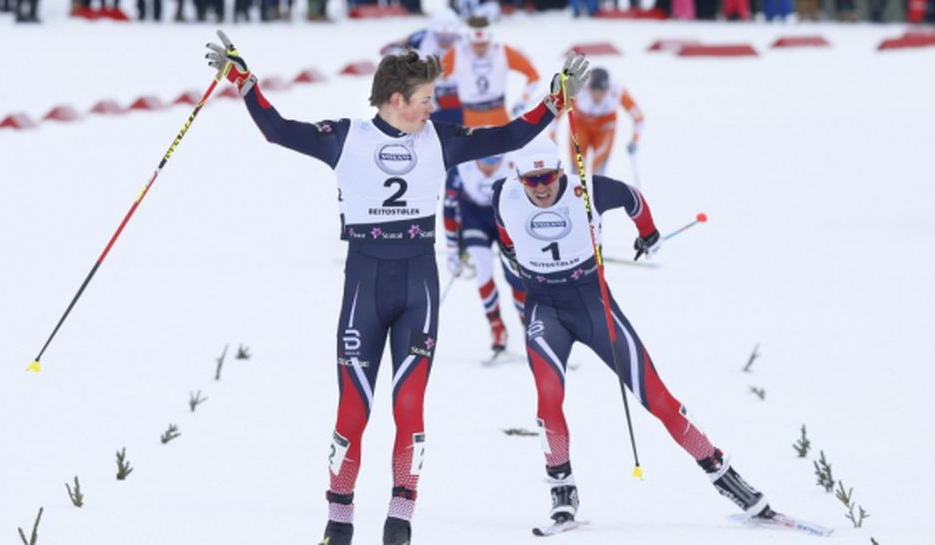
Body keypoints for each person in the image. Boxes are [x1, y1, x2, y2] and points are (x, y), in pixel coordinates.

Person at [204, 31, 589, 545]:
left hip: (417, 288)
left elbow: (508, 136)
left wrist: (554, 101)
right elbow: (277, 131)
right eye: (426, 99)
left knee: (409, 408)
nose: (434, 107)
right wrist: (245, 82)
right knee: (352, 411)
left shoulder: (441, 139)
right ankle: (338, 523)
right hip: (365, 285)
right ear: (396, 101)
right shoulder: (345, 138)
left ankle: (399, 522)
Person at [492, 137, 773, 529]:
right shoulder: (504, 194)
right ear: (519, 178)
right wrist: (510, 251)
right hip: (544, 306)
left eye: (548, 177)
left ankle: (723, 474)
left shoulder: (586, 189)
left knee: (656, 397)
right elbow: (504, 229)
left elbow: (634, 199)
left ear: (560, 172)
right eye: (531, 180)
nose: (540, 187)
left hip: (593, 303)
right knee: (549, 399)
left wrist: (649, 233)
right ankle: (562, 490)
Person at [443, 154, 526, 357]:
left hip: (503, 217)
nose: (490, 168)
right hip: (474, 217)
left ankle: (529, 325)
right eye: (485, 162)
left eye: (495, 163)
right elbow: (448, 208)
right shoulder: (461, 166)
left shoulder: (513, 164)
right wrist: (452, 250)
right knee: (483, 266)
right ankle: (496, 326)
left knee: (515, 273)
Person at [441, 16, 542, 128]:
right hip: (470, 119)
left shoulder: (503, 51)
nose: (480, 48)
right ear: (469, 38)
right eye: (476, 44)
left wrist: (524, 99)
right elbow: (433, 78)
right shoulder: (456, 54)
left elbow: (533, 75)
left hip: (499, 117)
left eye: (483, 44)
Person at [552, 67, 643, 177]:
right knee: (578, 163)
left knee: (599, 166)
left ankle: (598, 189)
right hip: (581, 123)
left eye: (602, 92)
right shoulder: (577, 88)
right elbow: (557, 112)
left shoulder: (618, 91)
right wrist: (553, 135)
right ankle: (577, 188)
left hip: (605, 126)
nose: (598, 96)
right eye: (594, 91)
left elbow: (639, 118)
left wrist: (634, 140)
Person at [380, 9, 464, 125]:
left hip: (453, 91)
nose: (445, 42)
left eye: (449, 38)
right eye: (441, 38)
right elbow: (386, 50)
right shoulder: (422, 37)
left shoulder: (464, 42)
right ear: (433, 32)